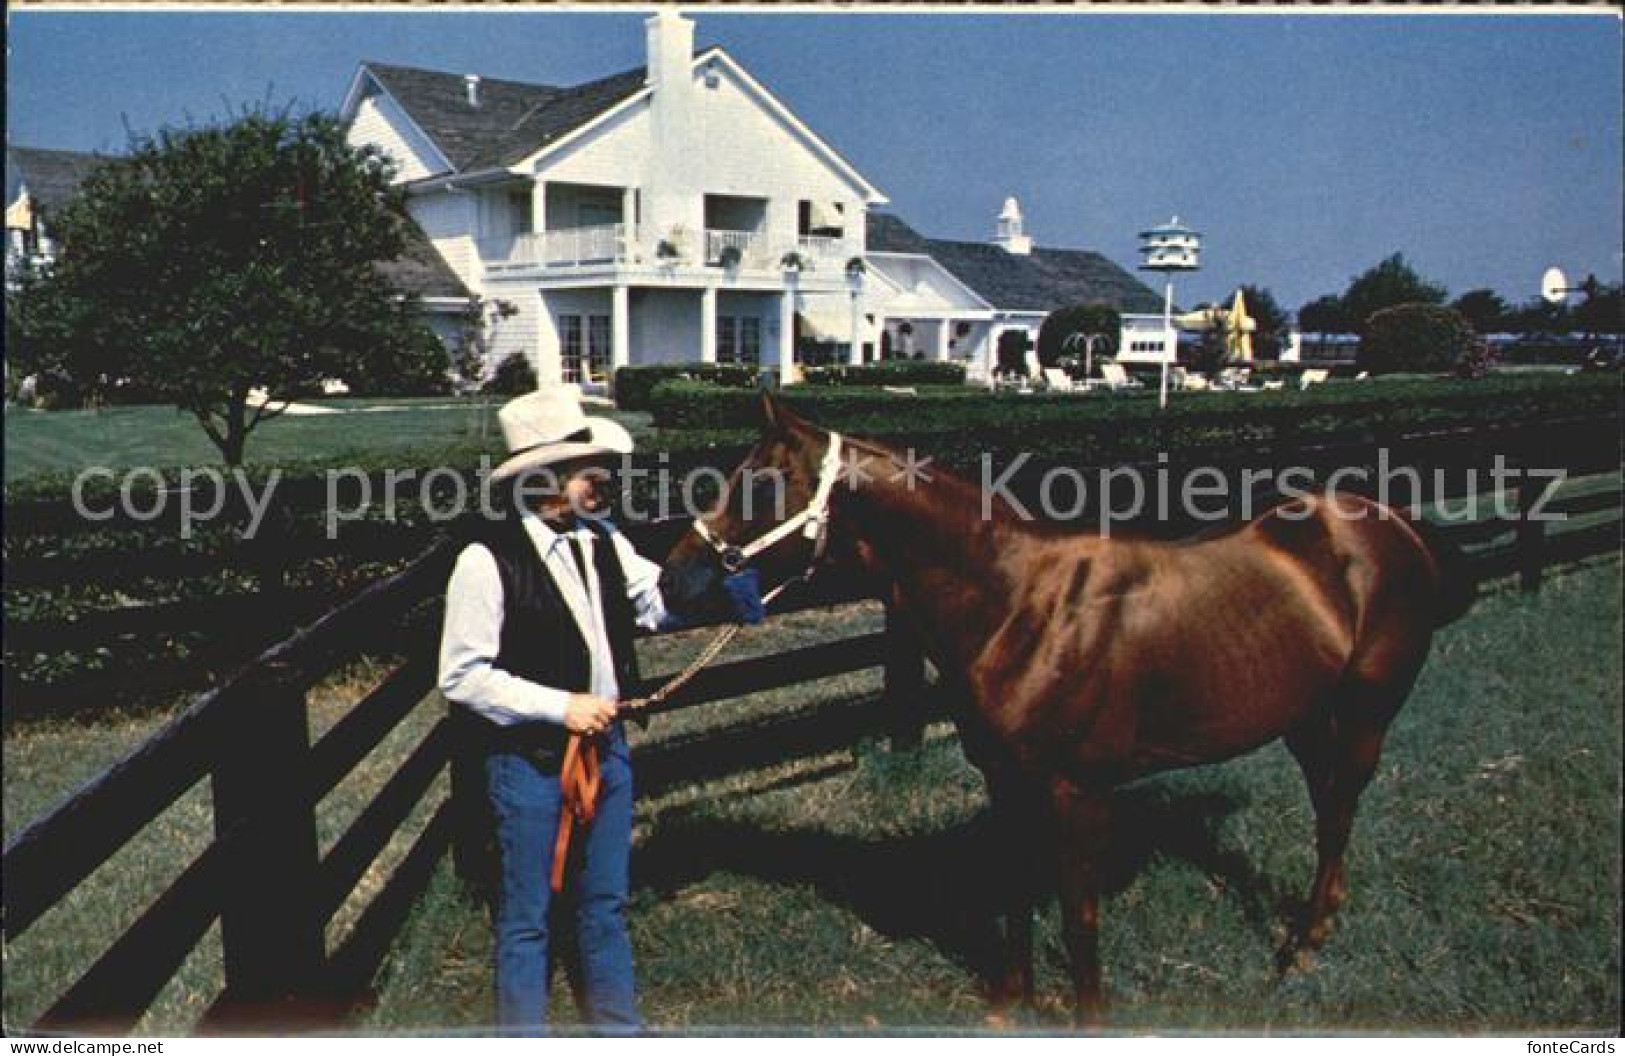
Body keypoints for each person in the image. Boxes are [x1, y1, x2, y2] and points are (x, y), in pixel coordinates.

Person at [438, 387, 759, 1035]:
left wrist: (726, 592)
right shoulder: (485, 560)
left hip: (607, 756)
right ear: (545, 478)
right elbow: (461, 676)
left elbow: (655, 606)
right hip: (529, 765)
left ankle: (620, 1034)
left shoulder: (602, 541)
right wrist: (561, 707)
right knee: (526, 920)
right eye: (594, 473)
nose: (606, 482)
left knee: (604, 904)